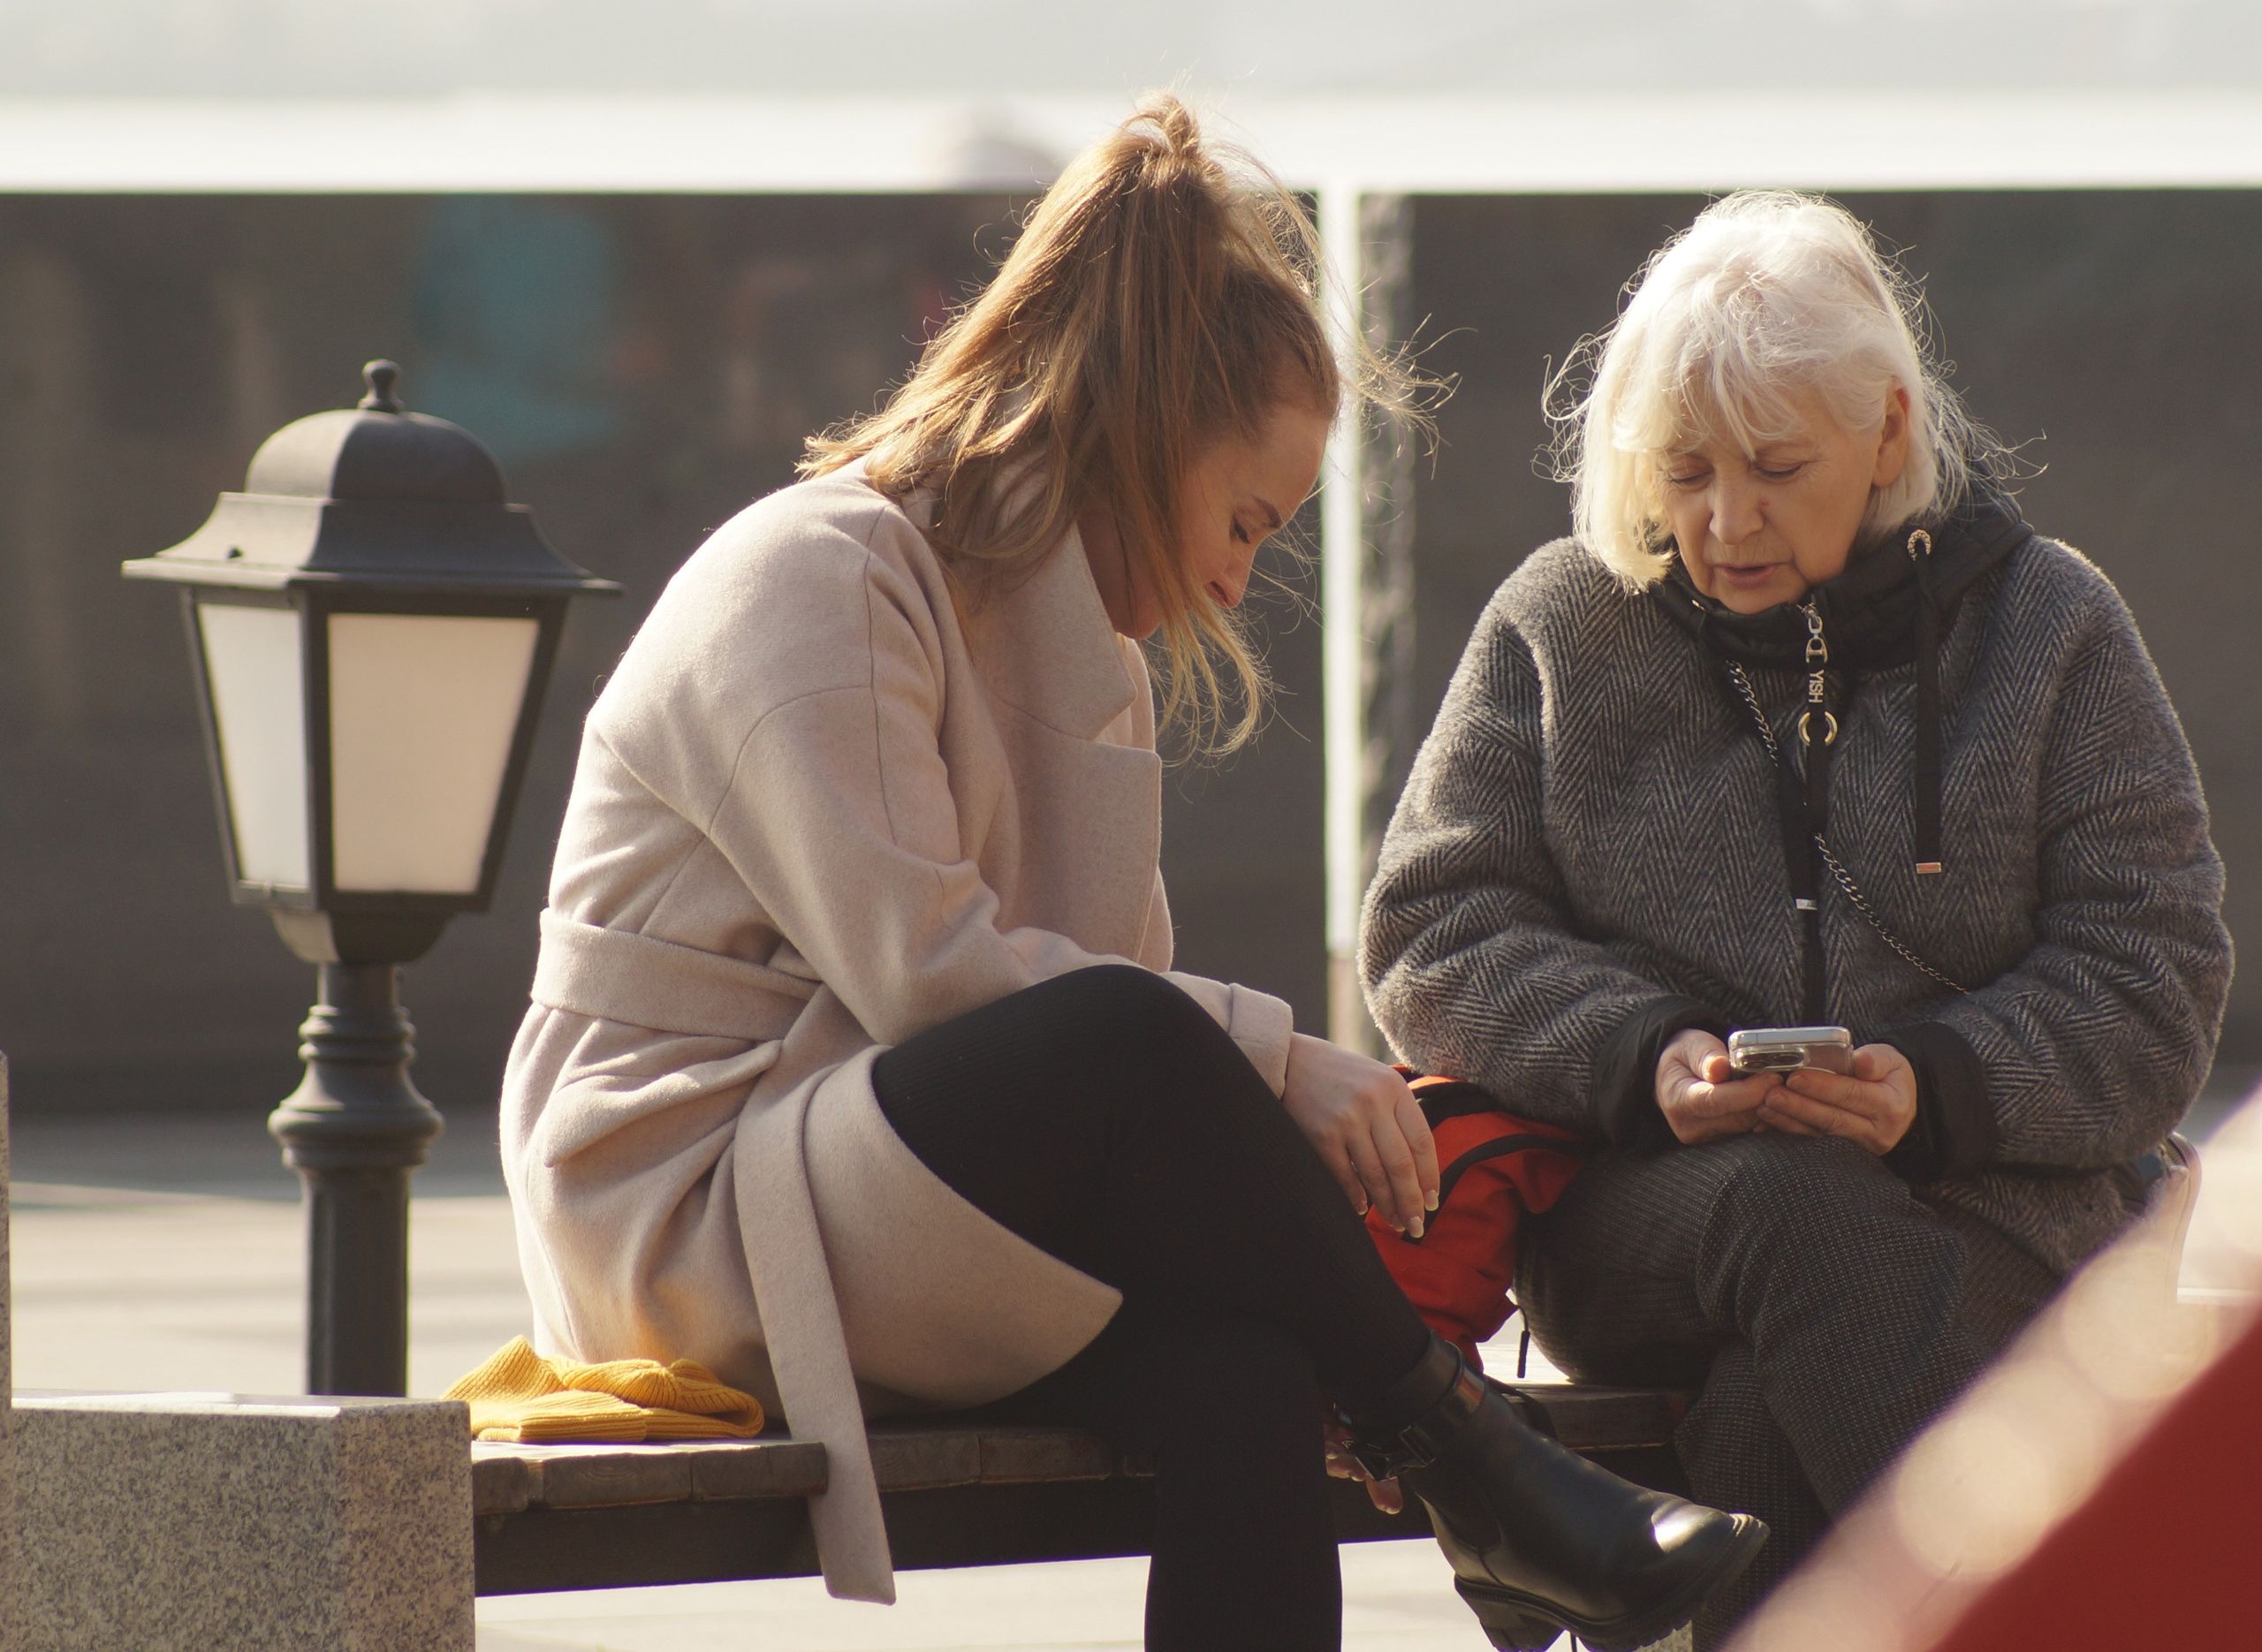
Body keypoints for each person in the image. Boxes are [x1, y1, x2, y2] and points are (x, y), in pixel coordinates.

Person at [501, 99, 1762, 1652]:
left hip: (877, 1196)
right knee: (1142, 1040)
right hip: (687, 1206)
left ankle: (1473, 1470)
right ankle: (1480, 1472)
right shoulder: (814, 572)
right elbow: (939, 979)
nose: (1241, 574)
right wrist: (1283, 1059)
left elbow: (1111, 1066)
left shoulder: (1079, 654)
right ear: (1146, 426)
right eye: (1243, 516)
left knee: (1243, 1368)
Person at [1360, 190, 2232, 1647]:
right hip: (1654, 1210)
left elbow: (2156, 981)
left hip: (2001, 1210)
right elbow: (1432, 930)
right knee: (1789, 1200)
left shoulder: (2051, 625)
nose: (1722, 517)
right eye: (1680, 471)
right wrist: (1645, 1056)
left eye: (1775, 467)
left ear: (1890, 432)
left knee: (1766, 1421)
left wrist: (1936, 1086)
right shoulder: (1560, 622)